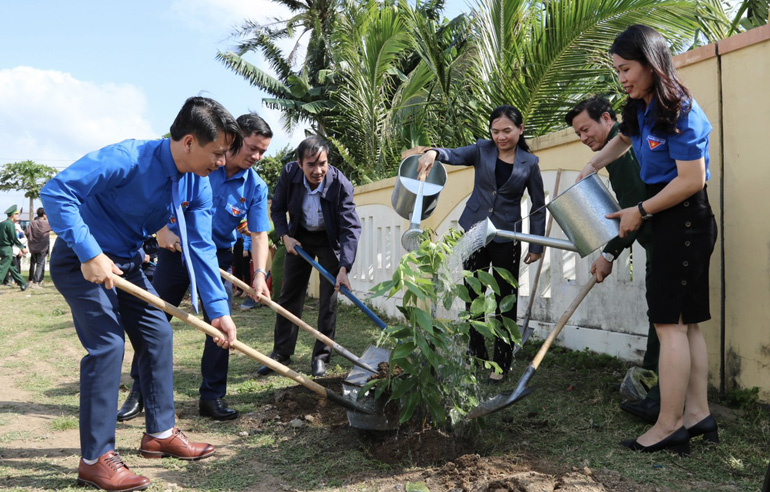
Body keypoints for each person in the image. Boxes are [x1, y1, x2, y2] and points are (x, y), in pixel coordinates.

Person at [41, 96, 242, 491]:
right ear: (188, 142)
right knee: (108, 345)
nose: (221, 163)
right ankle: (95, 458)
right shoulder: (128, 158)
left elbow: (200, 246)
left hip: (128, 265)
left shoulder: (195, 185)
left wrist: (218, 310)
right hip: (81, 261)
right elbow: (57, 191)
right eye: (216, 153)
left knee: (158, 334)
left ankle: (160, 434)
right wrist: (89, 252)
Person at [576, 24, 718, 455]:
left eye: (626, 68)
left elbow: (692, 180)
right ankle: (698, 416)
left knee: (669, 325)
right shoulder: (640, 106)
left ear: (651, 62)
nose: (622, 78)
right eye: (617, 70)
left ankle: (669, 424)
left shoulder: (680, 110)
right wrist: (592, 165)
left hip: (684, 220)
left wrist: (640, 210)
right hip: (672, 217)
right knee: (686, 324)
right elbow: (622, 139)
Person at [117, 112, 272, 423]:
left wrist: (258, 274)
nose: (256, 156)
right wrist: (162, 230)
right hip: (176, 253)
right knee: (155, 320)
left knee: (220, 325)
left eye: (262, 152)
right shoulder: (199, 164)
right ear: (233, 139)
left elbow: (259, 233)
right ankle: (140, 391)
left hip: (219, 259)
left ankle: (212, 396)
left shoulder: (255, 186)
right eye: (252, 148)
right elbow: (160, 192)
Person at [417, 105, 545, 383]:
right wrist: (433, 153)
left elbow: (538, 204)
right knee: (472, 295)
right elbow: (453, 154)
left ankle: (501, 362)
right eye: (495, 131)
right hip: (473, 230)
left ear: (520, 130)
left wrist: (536, 245)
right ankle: (475, 355)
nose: (500, 136)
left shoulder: (529, 163)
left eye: (507, 131)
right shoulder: (481, 149)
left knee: (504, 301)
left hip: (507, 236)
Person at [566, 97, 661, 422]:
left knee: (665, 317)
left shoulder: (622, 149)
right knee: (666, 316)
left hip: (664, 239)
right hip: (662, 240)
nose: (583, 138)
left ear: (607, 118)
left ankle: (655, 388)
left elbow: (635, 211)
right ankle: (654, 384)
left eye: (585, 129)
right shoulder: (621, 147)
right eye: (578, 134)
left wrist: (608, 255)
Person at [257, 136, 361, 378]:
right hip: (299, 237)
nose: (318, 171)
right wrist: (284, 236)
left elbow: (350, 228)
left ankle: (321, 357)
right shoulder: (289, 174)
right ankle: (281, 353)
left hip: (328, 239)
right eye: (311, 165)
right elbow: (277, 209)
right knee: (289, 295)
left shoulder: (340, 185)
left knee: (329, 299)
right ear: (299, 163)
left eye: (322, 163)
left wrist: (344, 267)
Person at [1, 205, 28, 291]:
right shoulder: (10, 224)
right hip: (7, 249)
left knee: (11, 267)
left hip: (1, 248)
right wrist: (22, 247)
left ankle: (22, 283)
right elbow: (13, 238)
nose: (17, 215)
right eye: (16, 214)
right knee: (2, 267)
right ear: (12, 215)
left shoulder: (2, 224)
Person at [26, 207, 52, 288]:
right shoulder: (46, 223)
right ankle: (36, 282)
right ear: (44, 214)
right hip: (42, 247)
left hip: (33, 247)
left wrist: (31, 239)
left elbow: (26, 232)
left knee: (33, 263)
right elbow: (55, 227)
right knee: (40, 264)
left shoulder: (32, 223)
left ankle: (37, 280)